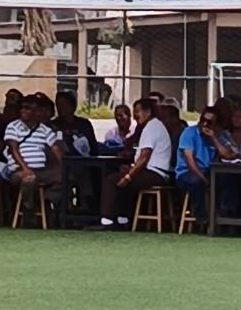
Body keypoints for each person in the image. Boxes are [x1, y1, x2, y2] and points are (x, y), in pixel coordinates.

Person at [99, 98, 173, 229]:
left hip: (155, 173)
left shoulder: (151, 127)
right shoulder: (154, 125)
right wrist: (131, 169)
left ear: (148, 112)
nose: (135, 116)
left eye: (138, 112)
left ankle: (107, 219)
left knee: (111, 180)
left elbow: (144, 157)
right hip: (156, 172)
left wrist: (129, 176)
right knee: (122, 177)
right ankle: (123, 219)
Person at [4, 95, 64, 218]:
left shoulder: (44, 129)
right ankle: (28, 208)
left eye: (27, 108)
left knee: (66, 175)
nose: (23, 110)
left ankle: (46, 200)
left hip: (41, 171)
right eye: (22, 108)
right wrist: (25, 168)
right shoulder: (13, 126)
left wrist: (63, 166)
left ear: (37, 111)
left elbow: (55, 148)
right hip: (19, 170)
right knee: (29, 179)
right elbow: (13, 149)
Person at [176, 108, 217, 221]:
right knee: (197, 182)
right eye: (203, 120)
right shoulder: (189, 132)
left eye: (209, 122)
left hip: (208, 171)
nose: (205, 124)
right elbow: (190, 162)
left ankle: (224, 214)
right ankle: (201, 218)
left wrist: (213, 138)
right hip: (186, 172)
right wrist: (204, 179)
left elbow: (227, 154)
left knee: (226, 180)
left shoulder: (215, 135)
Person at [54, 91, 98, 157]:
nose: (60, 108)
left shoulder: (84, 124)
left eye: (63, 104)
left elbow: (94, 148)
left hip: (85, 160)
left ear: (72, 106)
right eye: (58, 105)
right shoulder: (53, 125)